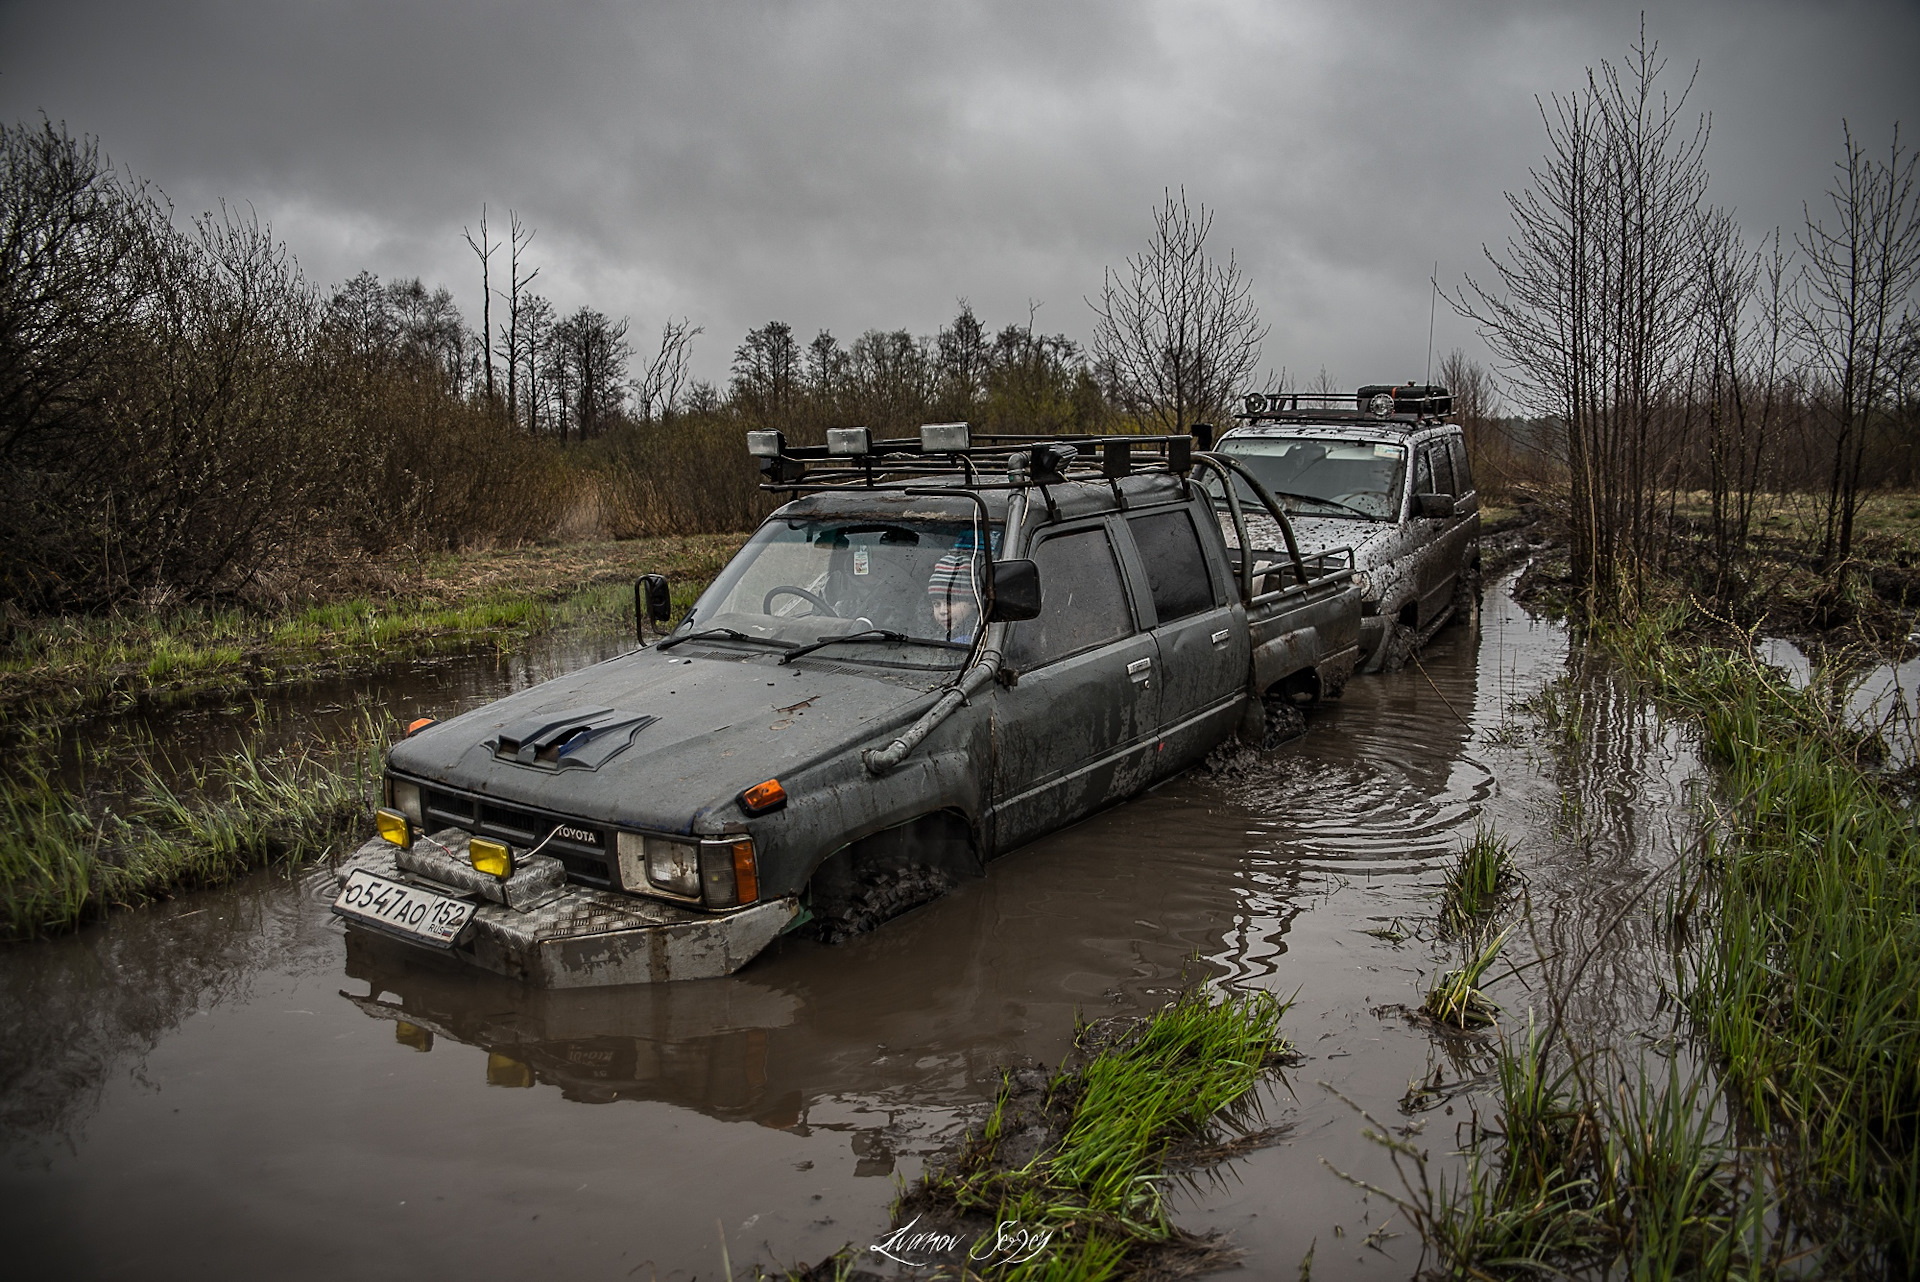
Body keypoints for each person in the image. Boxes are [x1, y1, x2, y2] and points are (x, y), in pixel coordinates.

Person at [926, 549, 982, 643]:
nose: (943, 611)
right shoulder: (932, 635)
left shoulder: (976, 639)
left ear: (973, 602)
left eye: (951, 602)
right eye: (937, 604)